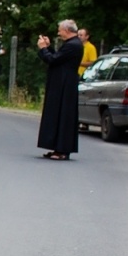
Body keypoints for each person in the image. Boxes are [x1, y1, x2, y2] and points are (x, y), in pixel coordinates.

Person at [35, 20, 83, 161]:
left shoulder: (73, 45)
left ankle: (63, 149)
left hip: (65, 84)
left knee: (64, 116)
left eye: (60, 30)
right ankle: (58, 147)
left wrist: (43, 49)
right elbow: (57, 58)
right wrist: (48, 48)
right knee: (58, 115)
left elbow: (53, 60)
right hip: (63, 82)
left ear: (67, 30)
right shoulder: (72, 44)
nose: (58, 33)